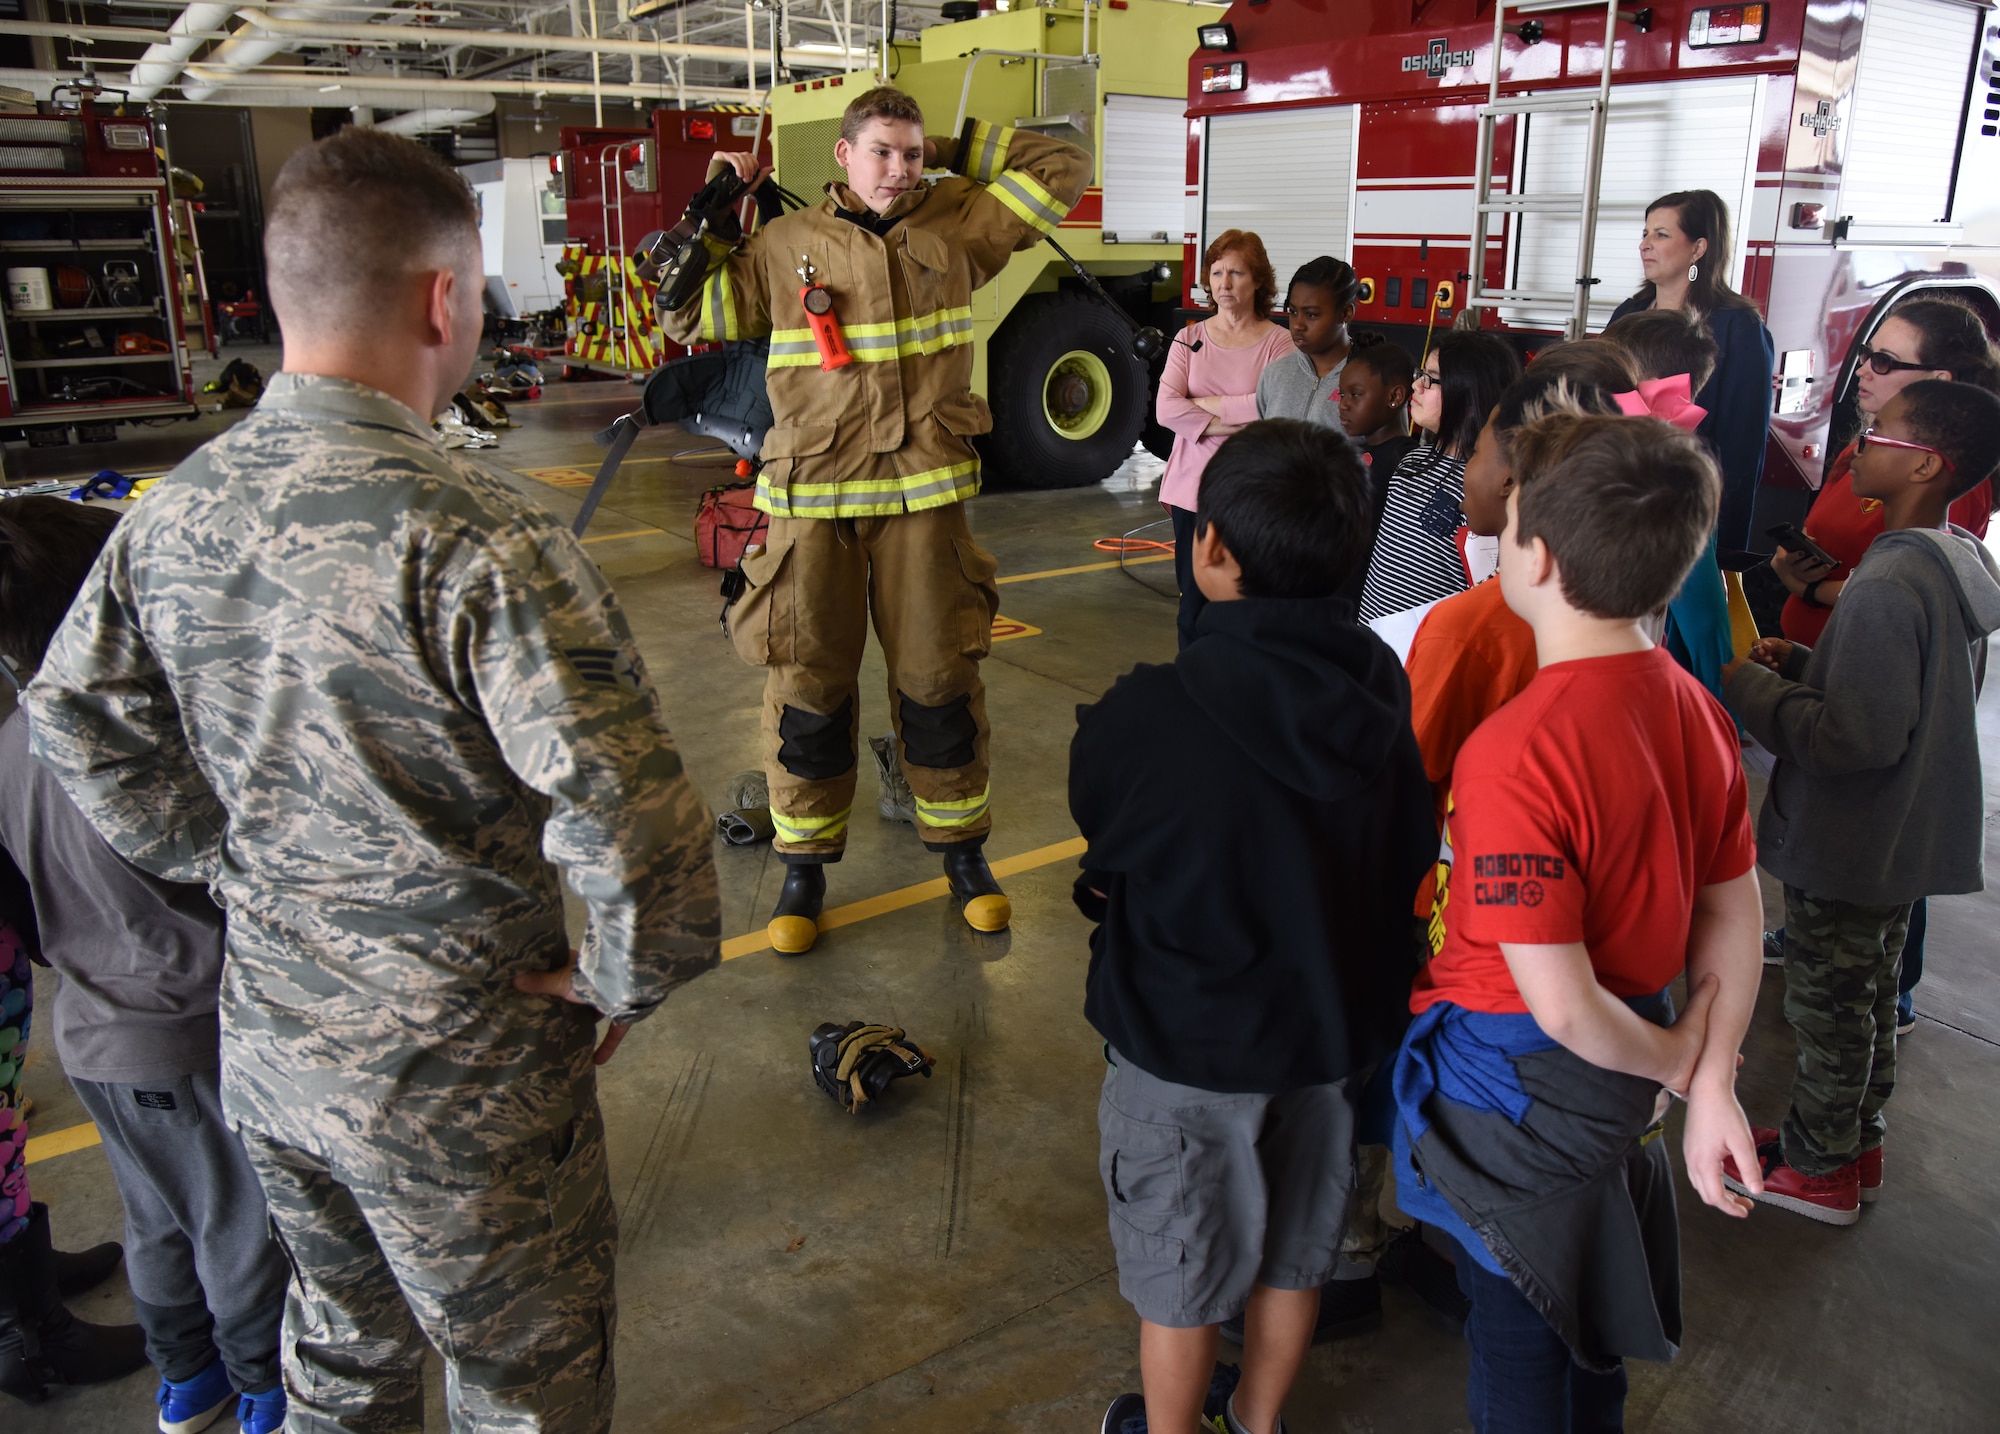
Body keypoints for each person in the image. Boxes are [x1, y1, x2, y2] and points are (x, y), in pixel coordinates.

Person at [28, 128, 721, 1434]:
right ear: (444, 299)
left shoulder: (170, 513)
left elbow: (71, 706)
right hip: (460, 1069)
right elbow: (633, 812)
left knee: (341, 1358)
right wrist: (625, 977)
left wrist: (216, 852)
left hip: (276, 1047)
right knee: (524, 1383)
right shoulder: (480, 531)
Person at [1391, 412, 1765, 1431]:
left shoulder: (1514, 751)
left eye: (1507, 520)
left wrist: (1675, 1062)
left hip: (1520, 1076)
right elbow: (1734, 901)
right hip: (1624, 1047)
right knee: (1587, 1316)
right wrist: (1710, 1064)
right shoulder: (1694, 710)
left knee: (1514, 1332)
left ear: (1538, 558)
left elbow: (1557, 1004)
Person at [662, 87, 1091, 951]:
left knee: (940, 682)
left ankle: (963, 853)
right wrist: (714, 203)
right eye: (882, 152)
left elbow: (1061, 165)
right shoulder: (781, 247)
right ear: (843, 158)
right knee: (808, 687)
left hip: (922, 500)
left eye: (910, 153)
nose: (901, 170)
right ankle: (803, 867)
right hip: (811, 504)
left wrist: (950, 144)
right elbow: (687, 311)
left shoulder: (963, 224)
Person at [1073, 420, 1435, 1434]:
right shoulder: (1378, 686)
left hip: (1183, 1051)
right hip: (1326, 1045)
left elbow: (1101, 819)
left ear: (1212, 547)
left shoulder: (1152, 710)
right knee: (1290, 1257)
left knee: (1180, 1277)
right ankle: (1259, 1423)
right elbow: (1405, 841)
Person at [0, 498, 288, 1431]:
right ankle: (261, 1390)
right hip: (187, 1030)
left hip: (89, 1030)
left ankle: (187, 1380)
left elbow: (27, 915)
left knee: (156, 1217)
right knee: (238, 1223)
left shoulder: (11, 739)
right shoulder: (143, 746)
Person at [1721, 380, 2000, 1224]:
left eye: (1878, 433)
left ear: (1924, 464)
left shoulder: (1884, 586)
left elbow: (1851, 740)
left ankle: (1819, 1172)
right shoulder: (1945, 558)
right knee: (1868, 995)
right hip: (1896, 837)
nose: (1856, 447)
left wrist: (1746, 686)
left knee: (1829, 1007)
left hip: (1852, 839)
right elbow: (1892, 699)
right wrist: (1802, 667)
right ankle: (1847, 1139)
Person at [1758, 296, 2000, 1030]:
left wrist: (1819, 589)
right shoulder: (1864, 447)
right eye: (1867, 354)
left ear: (1941, 380)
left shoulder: (1941, 487)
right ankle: (1829, 952)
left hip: (1864, 679)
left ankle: (1884, 988)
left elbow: (1915, 581)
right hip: (1828, 655)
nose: (1864, 370)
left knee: (1881, 841)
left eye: (1887, 362)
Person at [1608, 188, 1776, 560]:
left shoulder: (1739, 327)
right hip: (1617, 503)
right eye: (1645, 233)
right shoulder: (1628, 313)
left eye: (1661, 235)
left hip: (1689, 513)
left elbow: (1743, 448)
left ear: (1699, 248)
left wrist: (1725, 545)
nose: (1645, 245)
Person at [1156, 230, 1296, 649]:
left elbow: (1275, 409)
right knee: (1192, 607)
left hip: (1250, 494)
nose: (1225, 283)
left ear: (1258, 281)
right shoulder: (1189, 338)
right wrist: (1232, 419)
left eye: (1236, 272)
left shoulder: (1279, 342)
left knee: (1244, 604)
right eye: (1217, 272)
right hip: (1192, 492)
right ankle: (1194, 691)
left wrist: (1202, 404)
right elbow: (1165, 409)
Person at [1600, 308, 1735, 697]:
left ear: (1653, 385)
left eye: (1614, 372)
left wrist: (1725, 710)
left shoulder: (1674, 480)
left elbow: (1704, 618)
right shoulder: (1666, 461)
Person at [1356, 330, 1520, 627]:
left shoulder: (1484, 489)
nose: (1416, 386)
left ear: (1468, 397)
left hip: (1429, 649)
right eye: (1421, 374)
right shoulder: (1412, 461)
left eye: (1431, 379)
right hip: (1372, 642)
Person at [1255, 256, 1359, 429]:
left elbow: (1391, 452)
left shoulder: (1373, 380)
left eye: (1311, 314)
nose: (1297, 325)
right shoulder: (1274, 374)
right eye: (1293, 312)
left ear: (1345, 313)